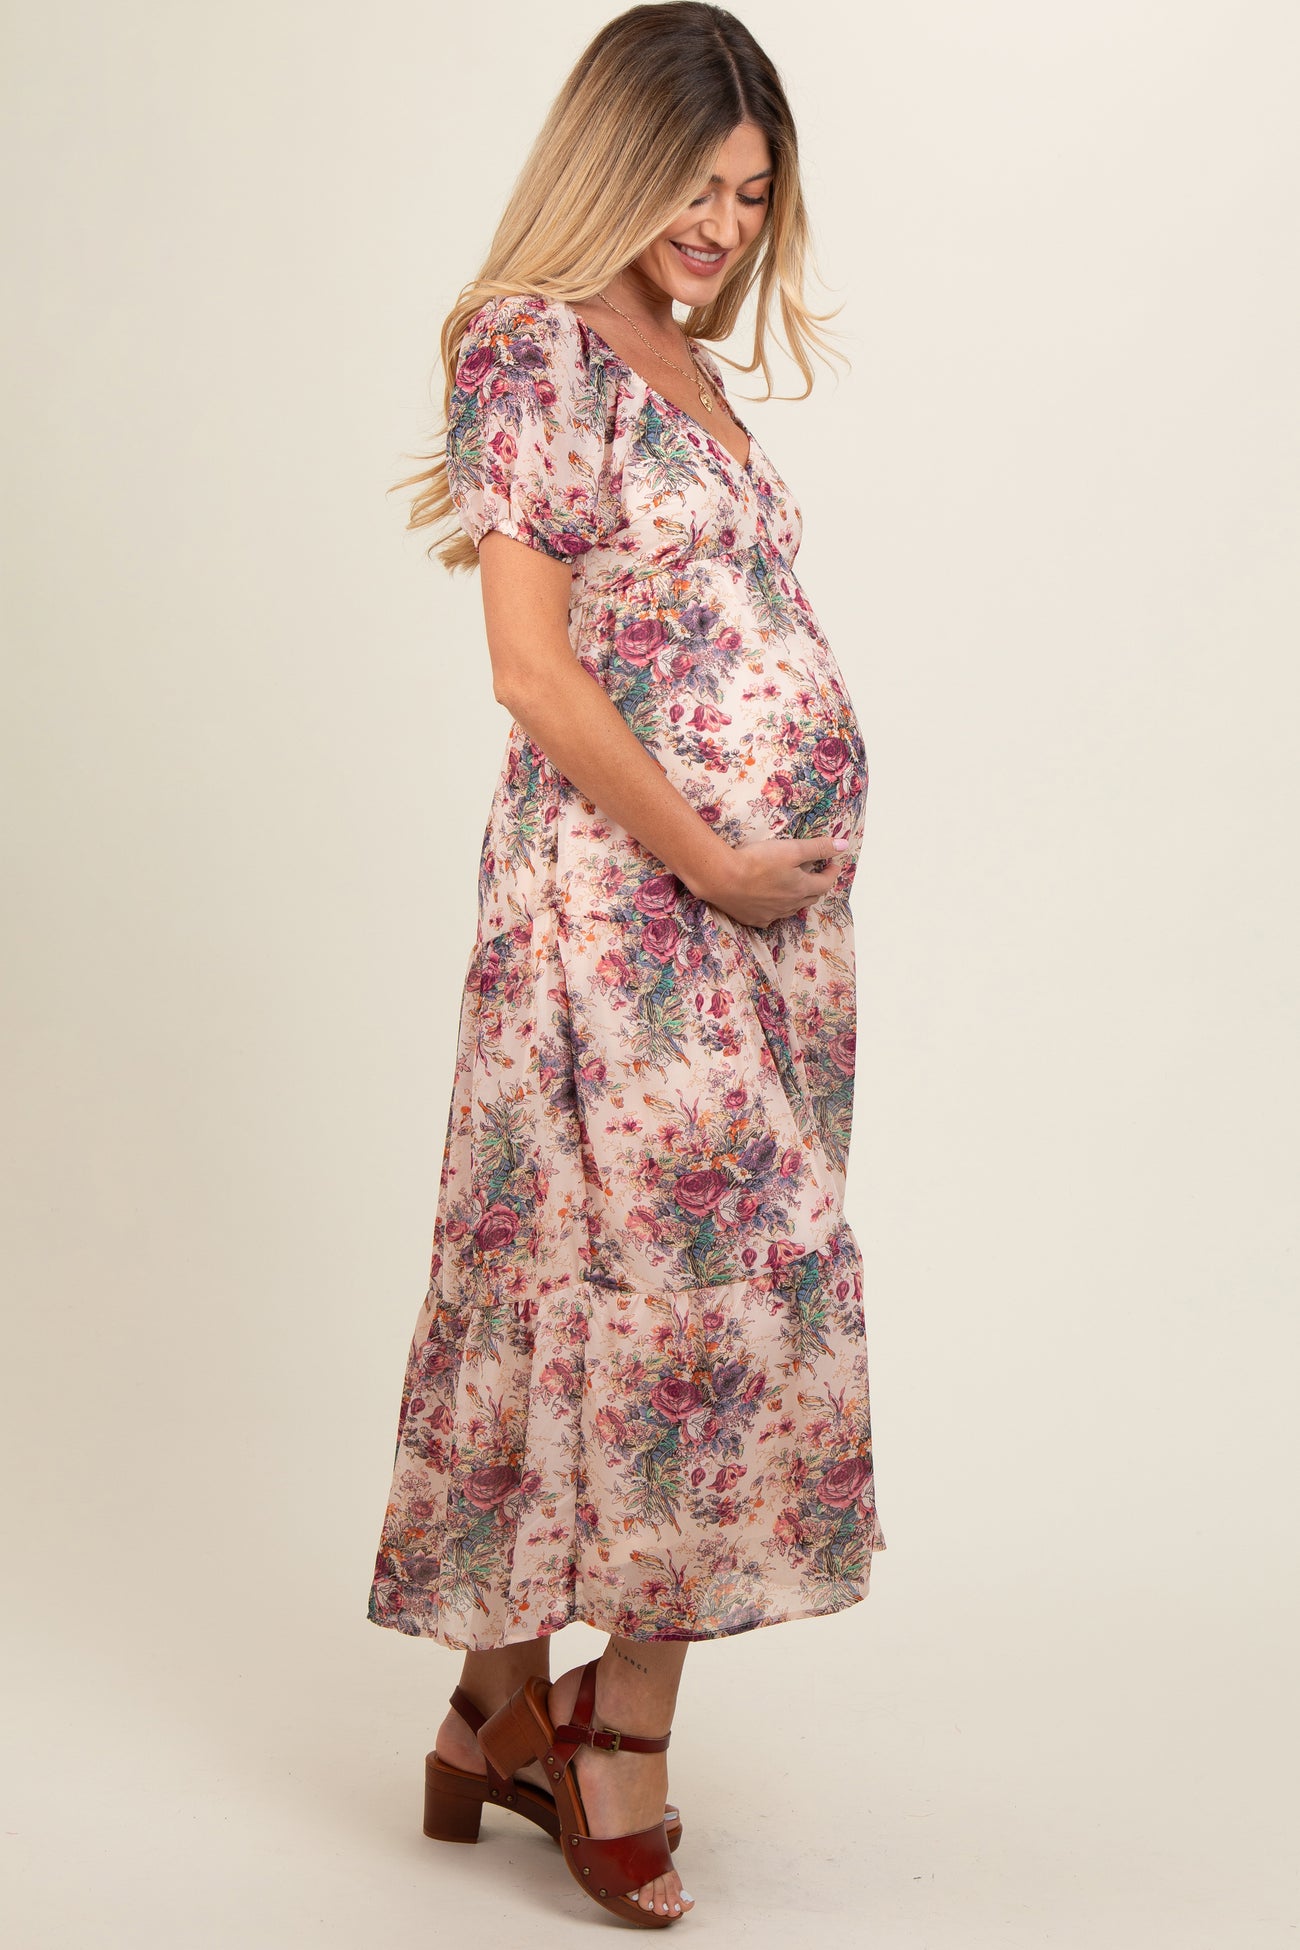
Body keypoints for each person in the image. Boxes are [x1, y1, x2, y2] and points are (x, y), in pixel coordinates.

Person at [367, 2, 887, 1928]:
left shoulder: (689, 361)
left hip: (755, 936)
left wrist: (771, 884)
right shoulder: (536, 343)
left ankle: (490, 1711)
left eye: (754, 195)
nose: (726, 226)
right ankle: (616, 1736)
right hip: (626, 921)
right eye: (697, 185)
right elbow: (531, 670)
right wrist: (717, 864)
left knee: (618, 1284)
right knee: (689, 1304)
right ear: (615, 158)